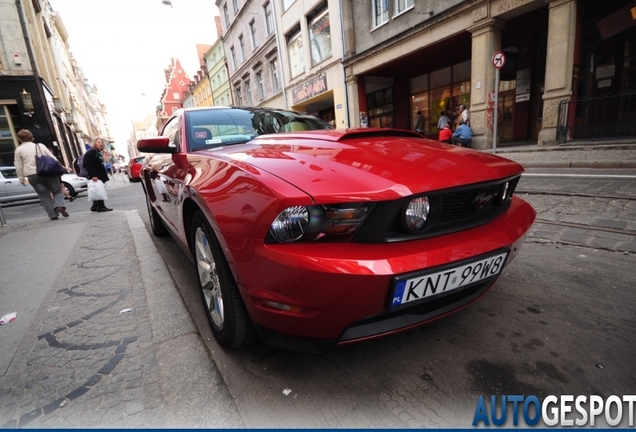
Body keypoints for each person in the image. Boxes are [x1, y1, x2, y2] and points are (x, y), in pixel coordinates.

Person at [14, 129, 69, 220]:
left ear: (19, 139)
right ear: (31, 137)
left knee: (44, 196)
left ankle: (53, 215)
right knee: (57, 191)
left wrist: (21, 178)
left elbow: (18, 166)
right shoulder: (40, 146)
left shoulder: (18, 150)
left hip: (32, 175)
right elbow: (53, 158)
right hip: (47, 172)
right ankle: (59, 205)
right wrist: (59, 169)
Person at [83, 137, 113, 212]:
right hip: (96, 175)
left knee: (96, 189)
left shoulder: (96, 152)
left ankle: (95, 206)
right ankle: (101, 206)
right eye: (98, 142)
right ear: (94, 143)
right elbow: (90, 164)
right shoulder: (92, 152)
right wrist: (93, 175)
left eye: (102, 142)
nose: (101, 144)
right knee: (99, 189)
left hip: (98, 174)